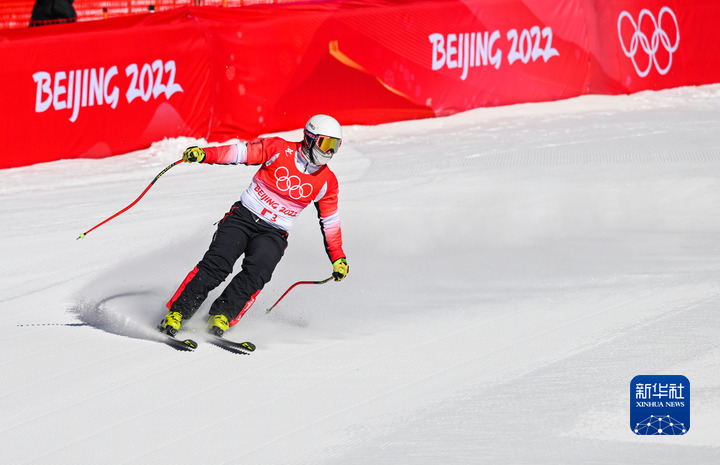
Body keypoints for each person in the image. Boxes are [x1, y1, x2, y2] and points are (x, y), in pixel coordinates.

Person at [159, 114, 349, 338]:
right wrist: (204, 154)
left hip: (274, 233)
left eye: (335, 146)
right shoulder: (278, 148)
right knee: (216, 266)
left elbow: (330, 222)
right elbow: (238, 153)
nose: (329, 152)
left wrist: (338, 257)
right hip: (243, 218)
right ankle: (178, 313)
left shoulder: (327, 181)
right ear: (309, 138)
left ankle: (222, 314)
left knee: (257, 273)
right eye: (325, 144)